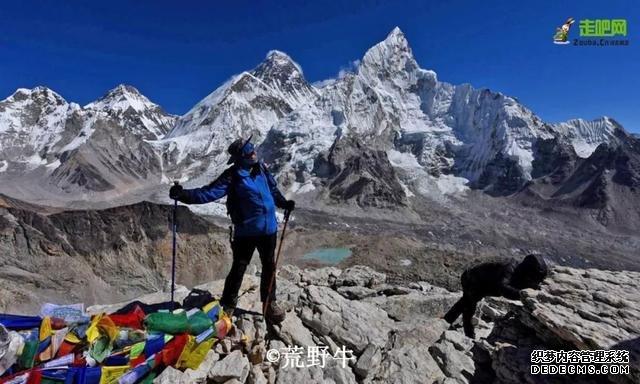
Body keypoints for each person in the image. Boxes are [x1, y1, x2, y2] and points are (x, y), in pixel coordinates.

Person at [169, 136, 295, 324]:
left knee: (269, 266)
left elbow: (273, 191)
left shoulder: (261, 169)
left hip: (269, 230)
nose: (254, 154)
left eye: (253, 150)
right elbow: (208, 192)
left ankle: (269, 304)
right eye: (250, 152)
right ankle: (228, 304)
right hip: (246, 231)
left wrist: (283, 203)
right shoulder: (233, 176)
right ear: (241, 157)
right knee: (239, 267)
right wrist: (184, 195)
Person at [444, 254, 548, 339]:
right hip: (472, 280)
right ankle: (463, 332)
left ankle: (448, 322)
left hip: (482, 285)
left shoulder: (521, 275)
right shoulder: (509, 268)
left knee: (466, 304)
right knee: (468, 305)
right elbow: (503, 288)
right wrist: (522, 295)